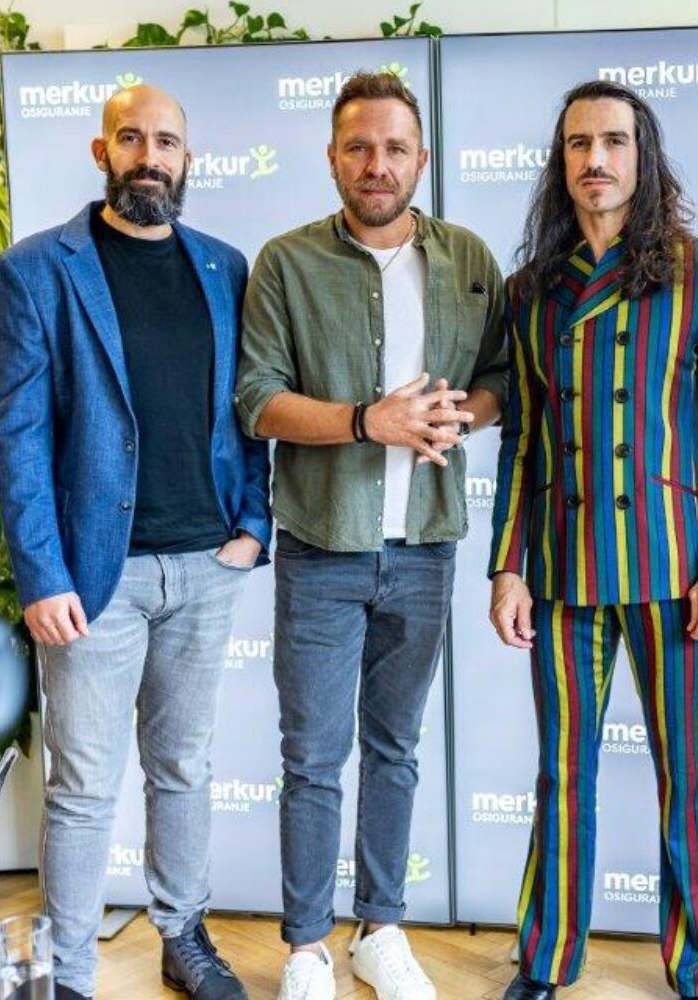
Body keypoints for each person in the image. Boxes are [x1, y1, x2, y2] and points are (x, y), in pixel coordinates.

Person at [0, 84, 271, 1000]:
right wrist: (41, 573)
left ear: (187, 158)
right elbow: (18, 436)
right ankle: (68, 975)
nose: (151, 156)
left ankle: (183, 938)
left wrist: (253, 524)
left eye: (167, 142)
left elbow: (250, 409)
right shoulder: (37, 270)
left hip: (205, 563)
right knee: (82, 788)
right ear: (101, 151)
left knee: (184, 769)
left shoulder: (225, 267)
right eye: (133, 138)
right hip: (89, 579)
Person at [234, 71, 508, 1000]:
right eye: (358, 147)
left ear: (421, 159)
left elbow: (501, 377)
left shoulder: (468, 258)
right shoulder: (286, 262)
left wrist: (459, 416)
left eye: (394, 148)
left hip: (426, 547)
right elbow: (256, 400)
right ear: (332, 159)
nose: (376, 164)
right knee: (313, 759)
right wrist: (367, 422)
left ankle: (380, 931)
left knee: (396, 749)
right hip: (321, 547)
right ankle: (308, 947)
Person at [487, 79, 698, 1000]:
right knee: (561, 774)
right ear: (560, 163)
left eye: (613, 141)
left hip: (672, 571)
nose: (594, 159)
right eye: (578, 144)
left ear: (644, 157)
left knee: (688, 775)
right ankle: (545, 961)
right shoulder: (530, 292)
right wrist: (507, 567)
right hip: (563, 573)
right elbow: (523, 441)